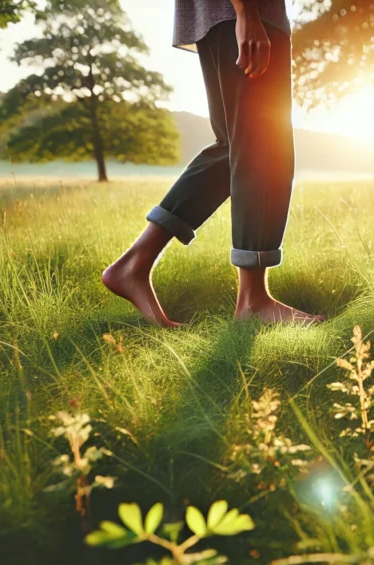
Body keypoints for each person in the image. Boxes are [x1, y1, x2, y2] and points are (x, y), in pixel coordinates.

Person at [102, 0, 322, 327]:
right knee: (261, 147)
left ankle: (134, 264)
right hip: (246, 13)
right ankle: (254, 303)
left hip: (224, 16)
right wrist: (247, 13)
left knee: (238, 146)